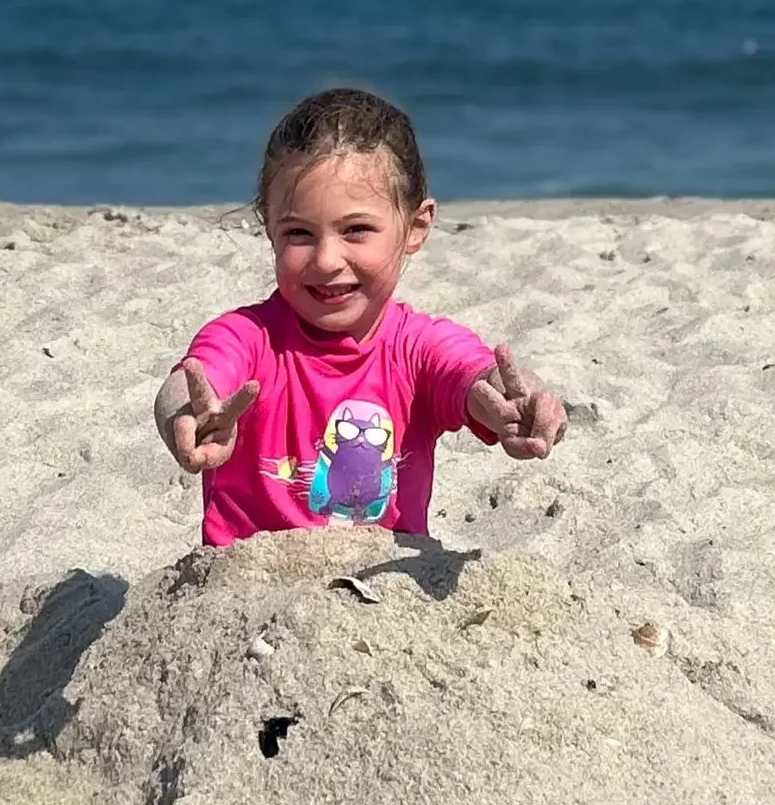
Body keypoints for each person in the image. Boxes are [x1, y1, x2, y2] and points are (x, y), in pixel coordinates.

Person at [155, 88, 566, 546]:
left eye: (356, 230)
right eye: (298, 233)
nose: (327, 260)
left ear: (415, 227)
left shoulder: (418, 347)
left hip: (380, 593)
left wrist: (522, 400)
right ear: (268, 226)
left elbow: (476, 376)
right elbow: (195, 380)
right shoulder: (247, 337)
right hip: (245, 593)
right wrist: (189, 417)